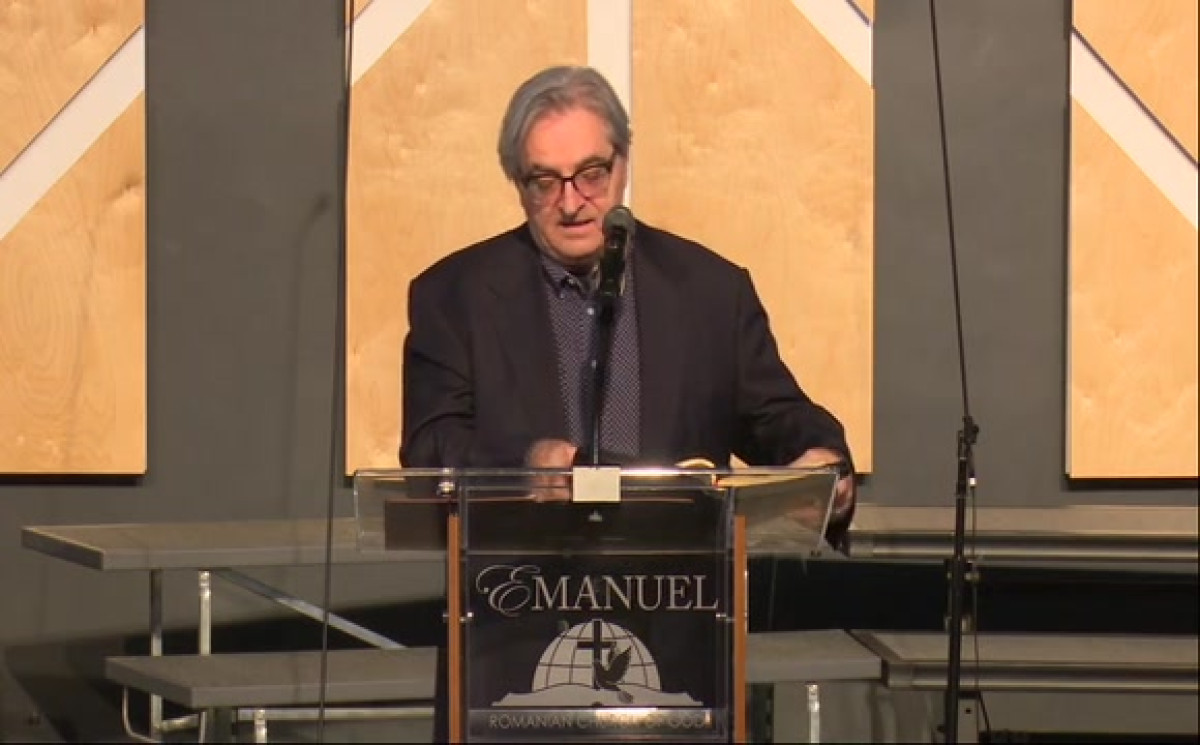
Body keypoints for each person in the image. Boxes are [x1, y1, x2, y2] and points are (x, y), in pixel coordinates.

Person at [399, 64, 856, 742]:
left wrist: (824, 459)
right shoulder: (455, 294)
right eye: (545, 181)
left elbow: (776, 415)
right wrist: (524, 463)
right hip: (514, 645)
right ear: (518, 184)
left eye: (591, 173)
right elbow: (430, 446)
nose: (572, 201)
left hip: (677, 646)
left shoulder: (709, 290)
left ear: (623, 164)